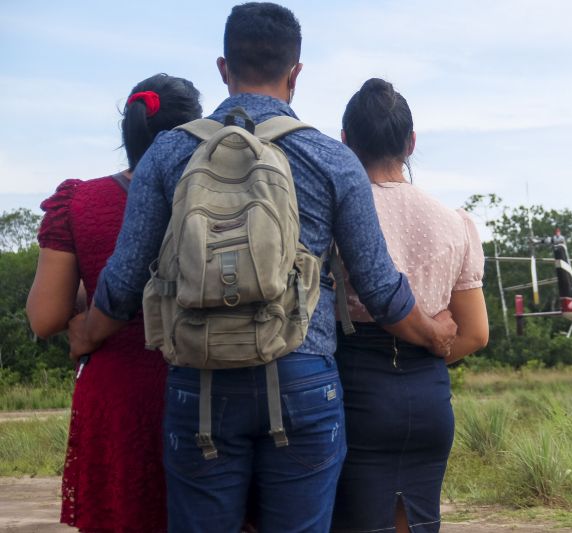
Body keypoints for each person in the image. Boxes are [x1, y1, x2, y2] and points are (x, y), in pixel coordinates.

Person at [67, 4, 457, 532]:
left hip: (199, 381)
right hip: (301, 376)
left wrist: (86, 332)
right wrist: (434, 334)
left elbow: (125, 276)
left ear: (224, 68)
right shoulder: (330, 158)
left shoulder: (168, 154)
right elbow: (379, 287)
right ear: (295, 74)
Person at [26, 73, 202, 532]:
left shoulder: (79, 202)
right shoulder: (217, 202)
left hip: (118, 400)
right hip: (205, 385)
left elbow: (44, 318)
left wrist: (87, 290)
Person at [331, 78, 490, 533]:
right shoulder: (455, 223)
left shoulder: (338, 216)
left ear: (345, 142)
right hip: (429, 399)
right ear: (411, 142)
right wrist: (426, 350)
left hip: (355, 392)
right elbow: (475, 334)